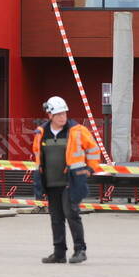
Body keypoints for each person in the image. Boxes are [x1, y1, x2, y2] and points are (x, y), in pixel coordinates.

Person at [31, 96, 102, 264]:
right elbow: (38, 157)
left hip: (71, 181)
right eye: (58, 114)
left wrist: (90, 168)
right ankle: (59, 253)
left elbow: (93, 149)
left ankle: (80, 250)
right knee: (55, 218)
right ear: (50, 115)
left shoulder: (77, 130)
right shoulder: (42, 132)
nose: (62, 117)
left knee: (72, 214)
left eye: (64, 113)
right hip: (50, 182)